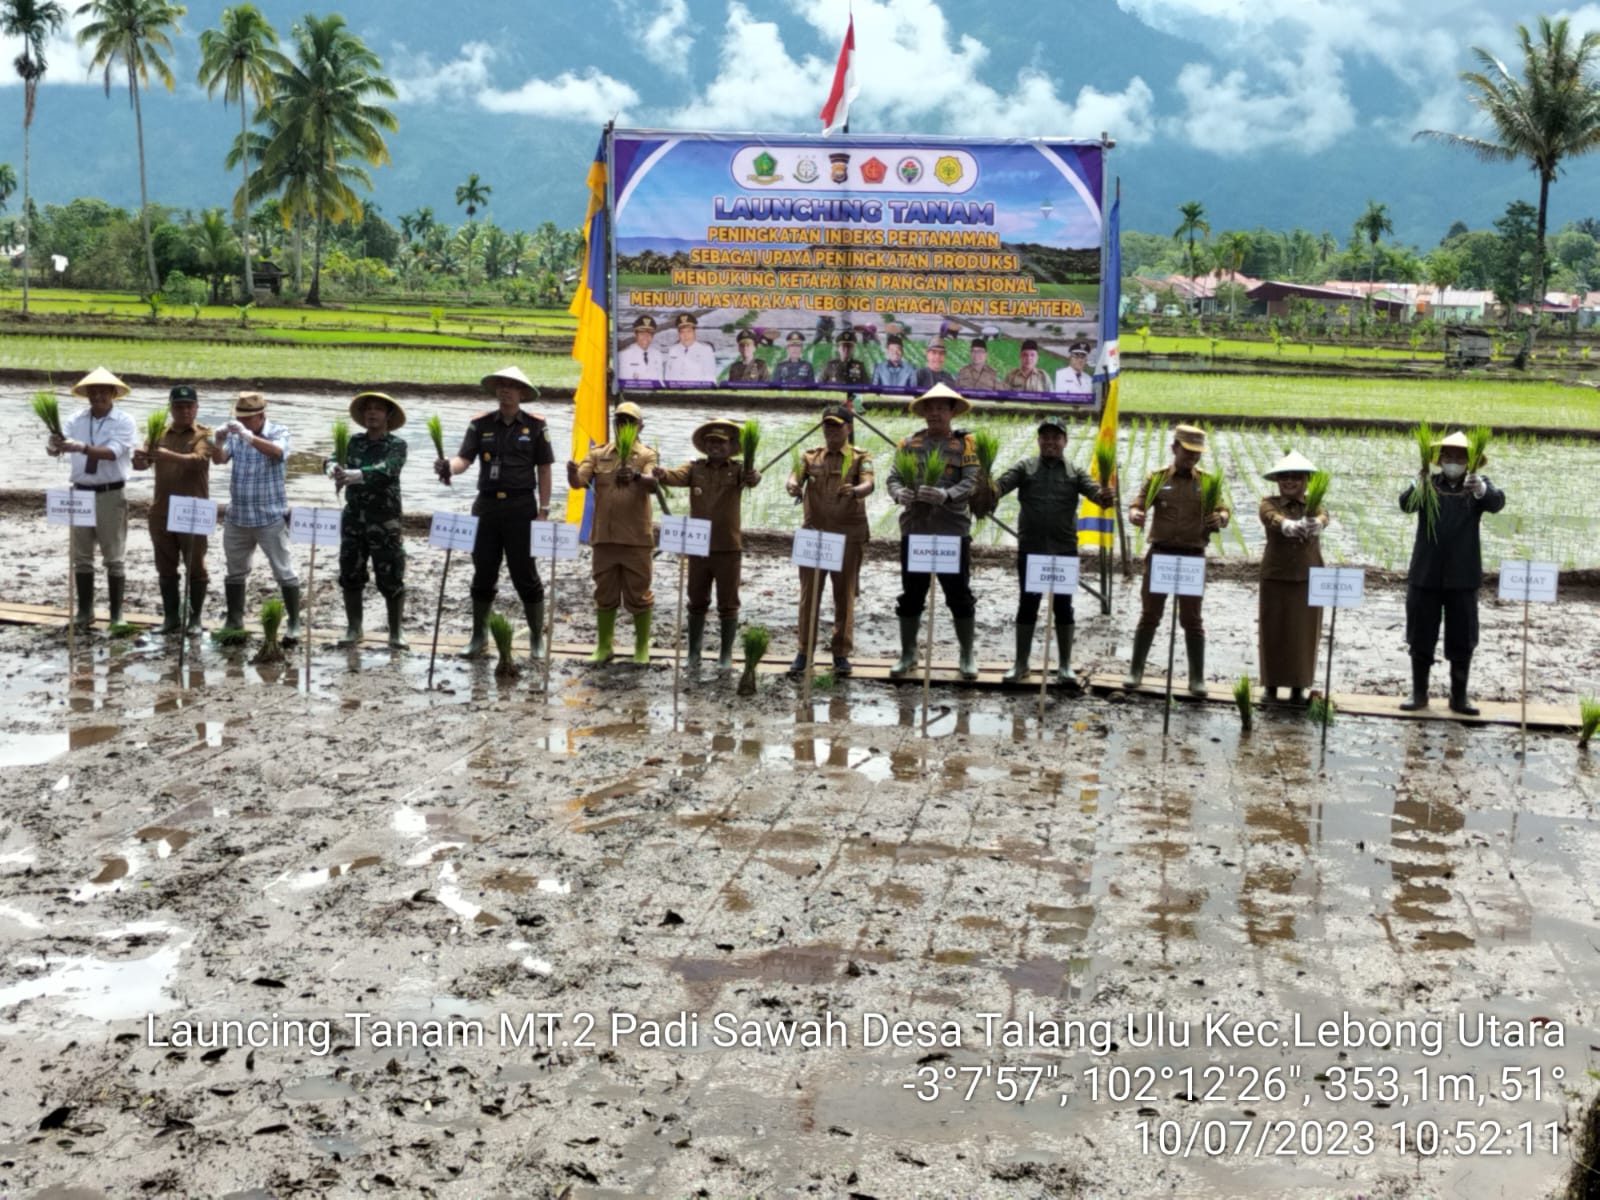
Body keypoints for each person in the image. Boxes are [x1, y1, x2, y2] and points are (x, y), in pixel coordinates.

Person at [435, 366, 555, 658]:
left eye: (512, 386)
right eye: (501, 385)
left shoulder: (537, 426)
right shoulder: (481, 424)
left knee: (524, 573)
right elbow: (464, 458)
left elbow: (544, 469)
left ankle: (536, 640)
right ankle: (478, 637)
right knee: (483, 571)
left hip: (521, 507)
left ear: (523, 393)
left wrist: (544, 509)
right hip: (486, 506)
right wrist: (449, 467)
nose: (506, 390)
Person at [994, 417, 1114, 685]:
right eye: (1045, 437)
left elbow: (1096, 494)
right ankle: (1021, 664)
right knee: (1028, 603)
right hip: (1032, 549)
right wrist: (985, 490)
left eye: (1056, 437)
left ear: (1064, 441)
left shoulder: (1074, 472)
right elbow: (1000, 486)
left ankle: (1065, 666)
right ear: (1039, 441)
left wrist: (1106, 495)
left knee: (1063, 607)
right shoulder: (1025, 467)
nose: (1050, 441)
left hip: (1064, 549)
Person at [1398, 430, 1506, 715]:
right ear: (1440, 459)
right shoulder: (1427, 483)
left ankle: (1459, 697)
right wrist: (1416, 487)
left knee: (1462, 636)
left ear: (1470, 461)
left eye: (1460, 457)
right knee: (1420, 633)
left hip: (1463, 575)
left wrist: (1481, 488)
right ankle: (1419, 693)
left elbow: (1496, 502)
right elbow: (1405, 505)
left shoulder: (1478, 487)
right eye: (1449, 456)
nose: (1454, 461)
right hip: (1426, 572)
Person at [885, 383, 981, 681]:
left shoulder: (965, 445)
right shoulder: (908, 444)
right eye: (931, 407)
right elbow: (893, 478)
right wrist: (899, 493)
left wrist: (947, 495)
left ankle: (966, 655)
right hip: (916, 530)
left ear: (952, 411)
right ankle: (909, 653)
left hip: (952, 531)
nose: (935, 413)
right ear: (924, 411)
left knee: (959, 595)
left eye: (942, 407)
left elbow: (972, 481)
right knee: (912, 594)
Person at [1125, 423, 1230, 694]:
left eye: (1197, 454)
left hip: (1192, 557)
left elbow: (1223, 511)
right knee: (1150, 614)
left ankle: (1197, 678)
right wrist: (1135, 514)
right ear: (1174, 448)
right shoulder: (1158, 478)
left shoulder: (1207, 482)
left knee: (1192, 619)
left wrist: (1221, 518)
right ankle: (1136, 671)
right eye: (1187, 452)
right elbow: (1137, 504)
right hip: (1162, 554)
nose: (1192, 458)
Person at [653, 418, 761, 670]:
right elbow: (676, 477)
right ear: (704, 445)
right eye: (711, 441)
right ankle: (693, 653)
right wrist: (661, 474)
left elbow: (753, 479)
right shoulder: (694, 468)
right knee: (696, 600)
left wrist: (755, 475)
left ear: (730, 446)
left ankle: (725, 655)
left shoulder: (738, 471)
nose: (715, 446)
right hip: (698, 546)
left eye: (721, 442)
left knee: (728, 602)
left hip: (728, 547)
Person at [785, 406, 874, 676]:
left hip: (848, 535)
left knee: (843, 595)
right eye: (827, 426)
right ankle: (804, 650)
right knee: (808, 595)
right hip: (814, 533)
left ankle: (841, 653)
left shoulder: (861, 458)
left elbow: (869, 483)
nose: (831, 431)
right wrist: (792, 485)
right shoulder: (810, 456)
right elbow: (794, 476)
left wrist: (855, 490)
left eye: (837, 426)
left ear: (848, 428)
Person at [569, 401, 659, 664]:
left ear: (640, 426)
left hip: (636, 539)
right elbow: (579, 482)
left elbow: (653, 482)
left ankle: (641, 647)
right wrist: (572, 474)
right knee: (604, 591)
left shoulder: (646, 455)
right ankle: (604, 645)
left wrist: (636, 477)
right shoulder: (598, 454)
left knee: (639, 592)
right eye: (619, 421)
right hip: (604, 537)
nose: (624, 426)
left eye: (630, 422)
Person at [46, 367, 137, 629]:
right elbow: (55, 448)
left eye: (102, 391)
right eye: (92, 391)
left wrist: (82, 447)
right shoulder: (75, 420)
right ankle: (85, 611)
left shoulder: (124, 421)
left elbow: (113, 452)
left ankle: (117, 614)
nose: (97, 395)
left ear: (112, 393)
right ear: (86, 394)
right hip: (80, 492)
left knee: (114, 556)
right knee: (81, 554)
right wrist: (55, 444)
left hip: (110, 492)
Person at [211, 391, 301, 639]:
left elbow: (277, 453)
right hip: (238, 516)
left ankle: (294, 622)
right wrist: (217, 441)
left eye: (248, 419)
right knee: (235, 570)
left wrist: (249, 437)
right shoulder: (237, 435)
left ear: (260, 416)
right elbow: (219, 460)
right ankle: (234, 620)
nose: (243, 422)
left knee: (284, 570)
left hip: (269, 517)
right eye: (240, 418)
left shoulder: (278, 432)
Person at [130, 384, 211, 634]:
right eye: (179, 406)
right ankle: (171, 618)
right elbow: (142, 466)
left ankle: (195, 619)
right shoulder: (158, 434)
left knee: (195, 565)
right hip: (161, 510)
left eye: (189, 406)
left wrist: (166, 454)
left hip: (192, 510)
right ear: (171, 408)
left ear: (196, 407)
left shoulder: (204, 434)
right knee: (165, 566)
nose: (184, 410)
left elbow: (199, 461)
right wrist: (139, 460)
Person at [333, 392, 409, 649]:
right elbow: (333, 459)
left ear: (388, 415)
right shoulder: (353, 443)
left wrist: (354, 475)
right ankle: (354, 627)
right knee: (350, 571)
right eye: (368, 409)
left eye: (377, 409)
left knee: (391, 574)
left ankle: (396, 632)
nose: (372, 413)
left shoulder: (397, 445)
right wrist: (331, 468)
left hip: (385, 520)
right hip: (354, 518)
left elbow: (388, 471)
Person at [1256, 451, 1329, 703]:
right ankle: (1271, 686)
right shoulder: (1269, 502)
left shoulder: (1313, 504)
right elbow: (1270, 517)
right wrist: (1286, 525)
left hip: (1308, 577)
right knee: (1273, 630)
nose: (1288, 482)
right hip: (1276, 575)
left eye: (1295, 477)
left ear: (1306, 480)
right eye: (1283, 477)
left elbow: (1323, 516)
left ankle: (1299, 687)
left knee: (1304, 634)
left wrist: (1317, 523)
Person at [663, 312, 717, 383]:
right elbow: (668, 378)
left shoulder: (706, 351)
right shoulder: (673, 350)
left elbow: (710, 379)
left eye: (689, 331)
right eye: (682, 332)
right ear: (678, 333)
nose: (686, 336)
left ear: (694, 332)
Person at [618, 314, 664, 384]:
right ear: (635, 334)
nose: (645, 337)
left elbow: (661, 382)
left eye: (649, 334)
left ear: (652, 336)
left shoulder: (657, 355)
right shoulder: (623, 356)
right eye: (642, 333)